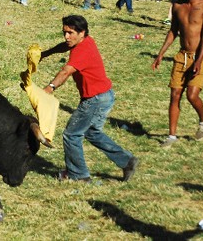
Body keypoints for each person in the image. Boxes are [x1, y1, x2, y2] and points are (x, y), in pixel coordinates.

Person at [41, 15, 139, 182]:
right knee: (91, 132)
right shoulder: (85, 41)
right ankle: (127, 161)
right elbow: (64, 46)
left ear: (82, 32)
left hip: (95, 99)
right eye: (64, 32)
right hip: (104, 95)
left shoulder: (82, 50)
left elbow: (65, 71)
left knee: (71, 134)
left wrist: (50, 88)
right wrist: (45, 53)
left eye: (70, 33)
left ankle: (78, 175)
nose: (66, 37)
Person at [152, 0, 203, 148]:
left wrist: (198, 61)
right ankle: (171, 136)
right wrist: (161, 53)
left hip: (199, 56)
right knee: (175, 95)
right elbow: (173, 32)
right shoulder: (178, 6)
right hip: (181, 56)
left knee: (192, 95)